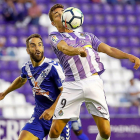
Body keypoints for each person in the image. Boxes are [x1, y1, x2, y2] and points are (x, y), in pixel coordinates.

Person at [47, 4, 140, 140]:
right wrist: (77, 50)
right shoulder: (54, 36)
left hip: (93, 82)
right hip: (72, 85)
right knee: (55, 131)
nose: (61, 15)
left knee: (106, 132)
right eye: (57, 15)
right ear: (53, 23)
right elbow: (64, 48)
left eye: (63, 12)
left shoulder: (87, 36)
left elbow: (109, 49)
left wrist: (128, 56)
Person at [0, 33, 71, 140]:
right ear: (28, 50)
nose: (37, 48)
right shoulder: (26, 67)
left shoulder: (53, 67)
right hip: (39, 116)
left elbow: (66, 92)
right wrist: (4, 93)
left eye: (40, 45)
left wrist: (52, 110)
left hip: (60, 116)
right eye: (33, 45)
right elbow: (21, 80)